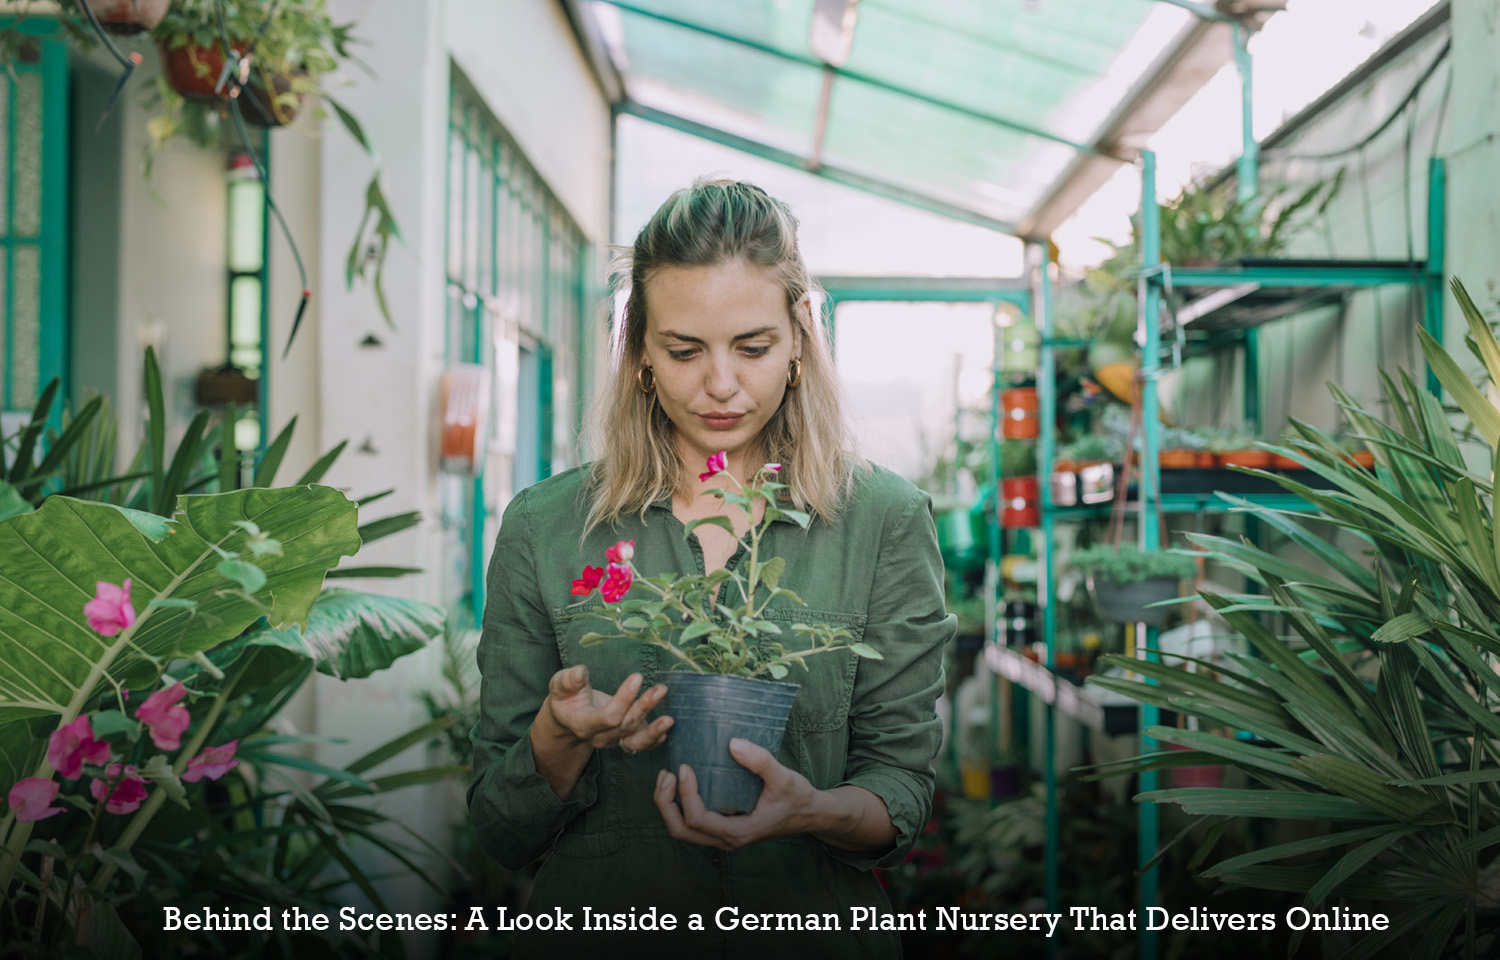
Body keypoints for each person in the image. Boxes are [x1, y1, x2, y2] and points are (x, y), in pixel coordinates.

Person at [467, 179, 952, 959]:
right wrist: (557, 734)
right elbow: (500, 824)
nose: (720, 383)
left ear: (799, 341)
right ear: (640, 357)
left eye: (753, 347)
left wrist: (811, 809)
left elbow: (899, 790)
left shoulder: (881, 520)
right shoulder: (546, 527)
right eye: (684, 350)